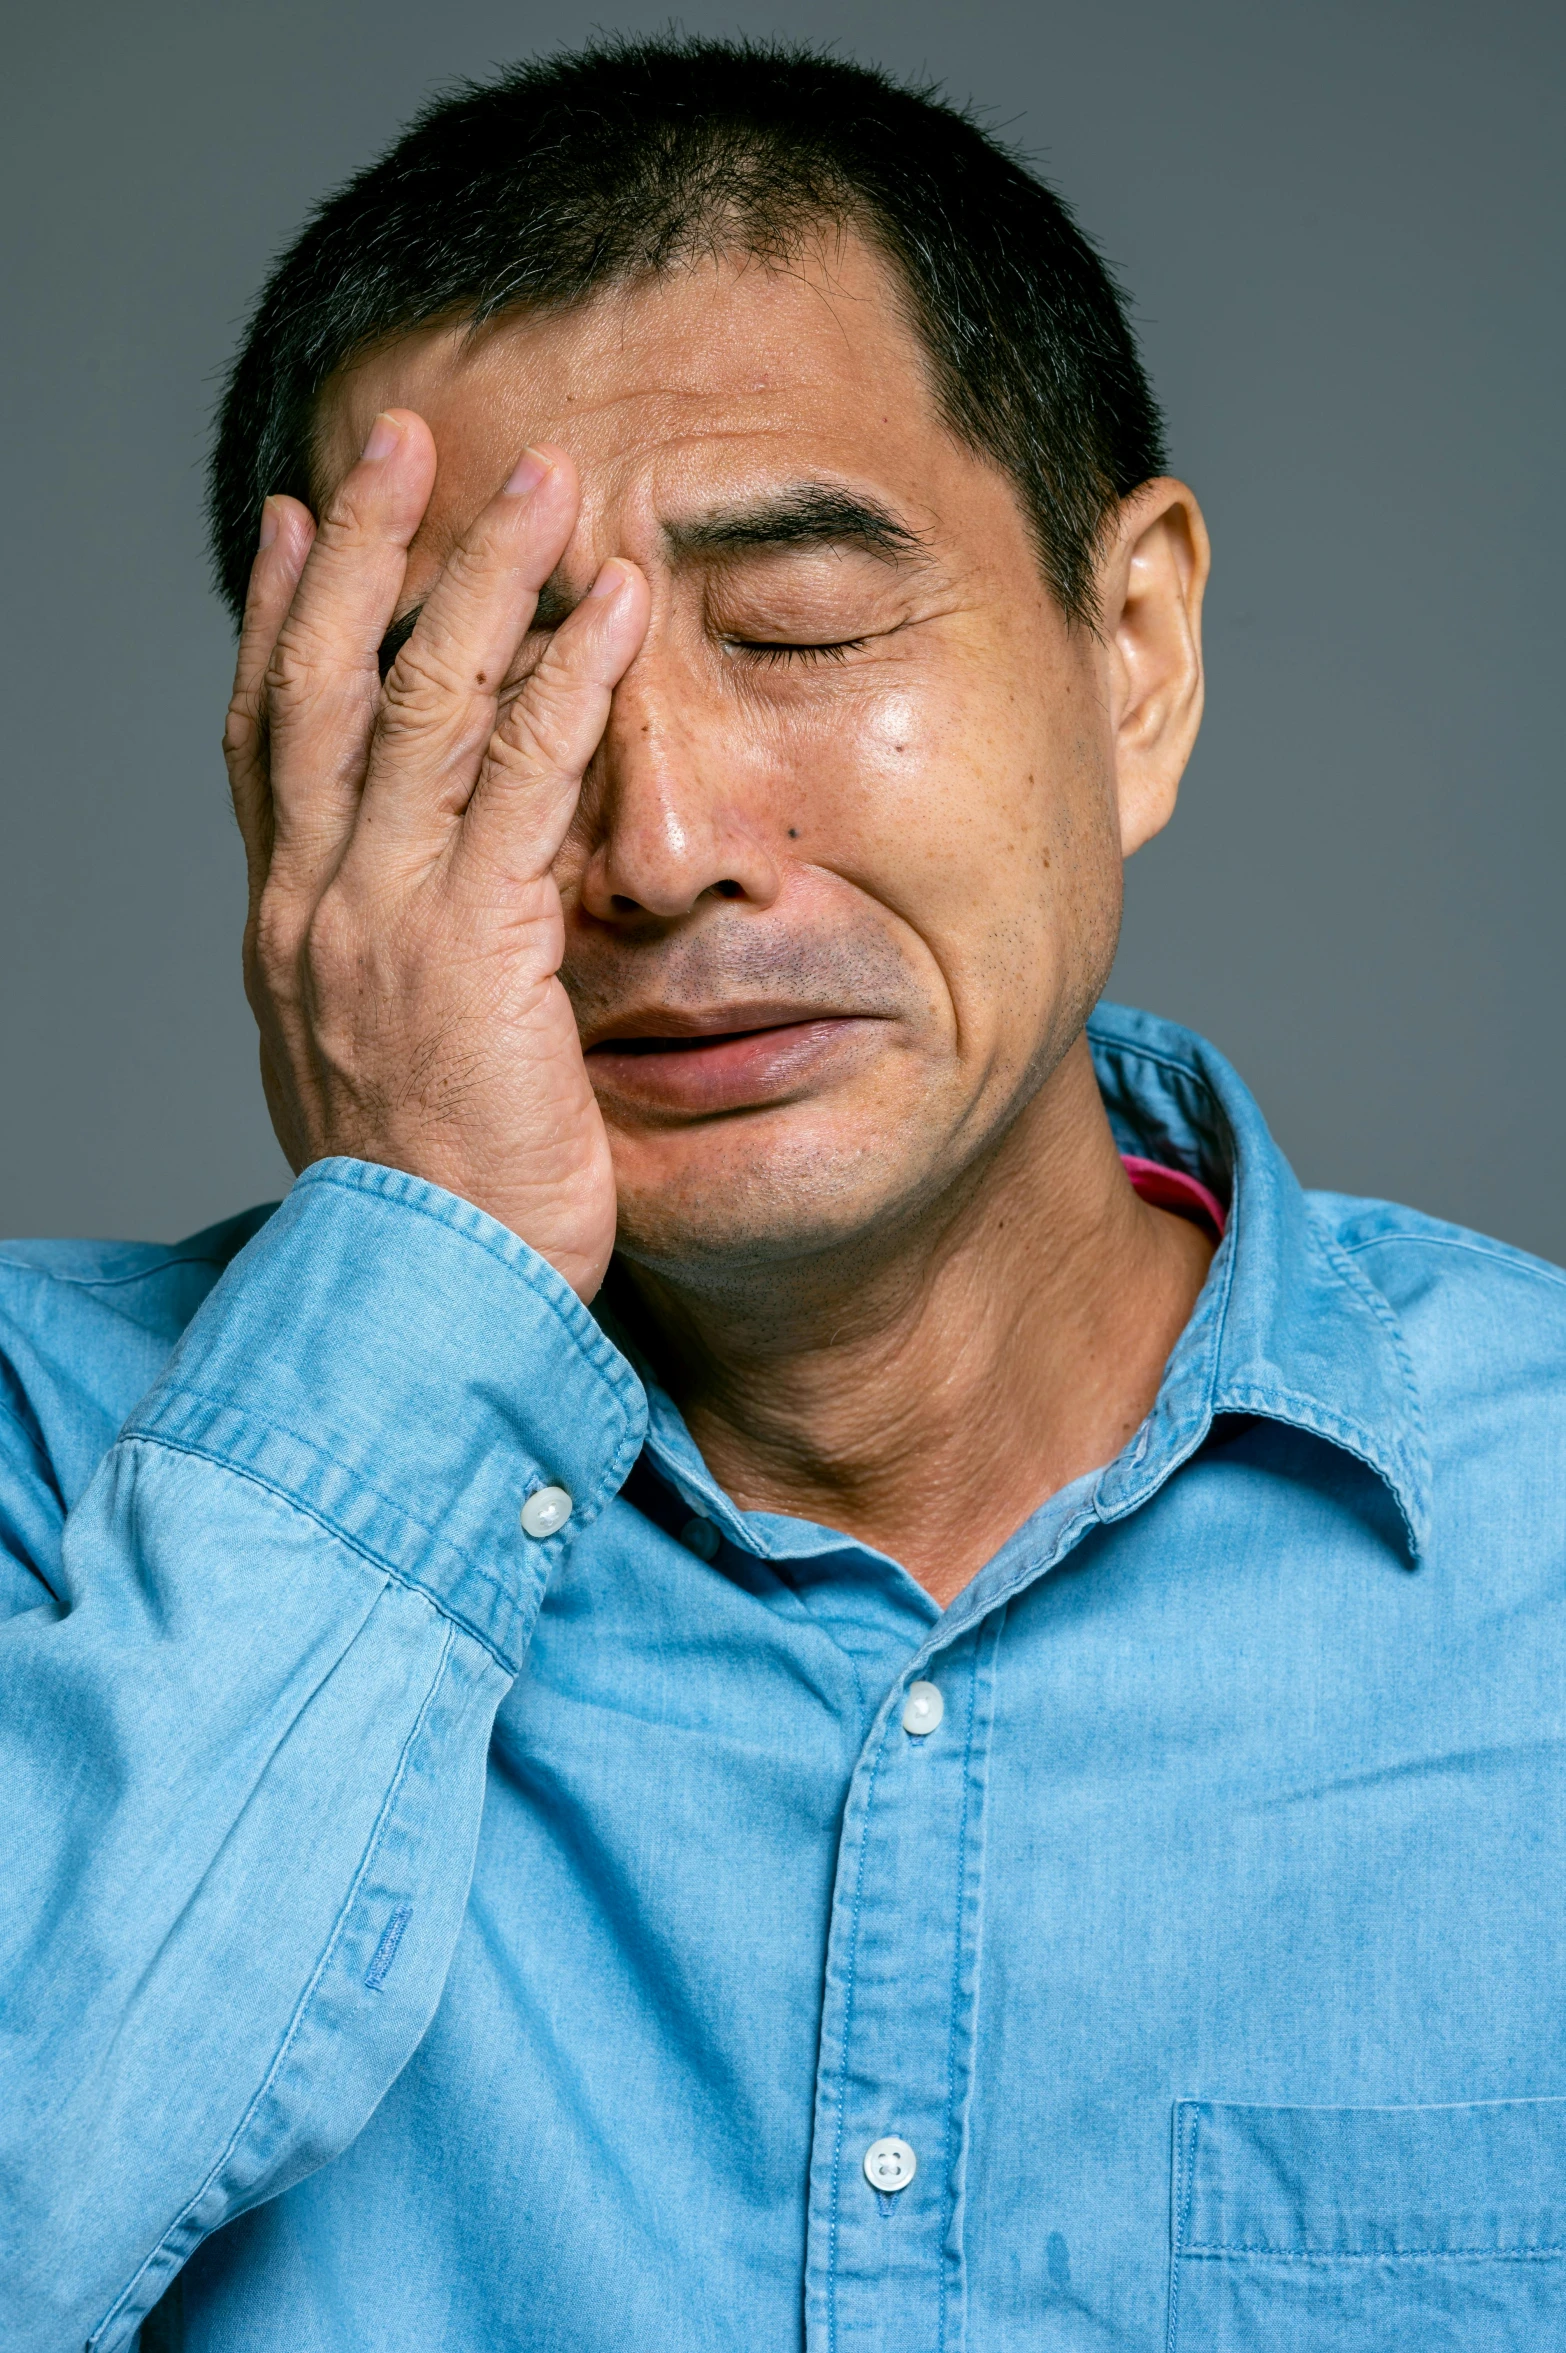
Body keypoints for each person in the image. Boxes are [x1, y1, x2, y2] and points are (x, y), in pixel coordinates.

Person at [3, 34, 1564, 2353]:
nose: (656, 847)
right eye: (483, 690)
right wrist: (422, 1269)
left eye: (803, 632)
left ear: (1132, 656)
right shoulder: (53, 1468)